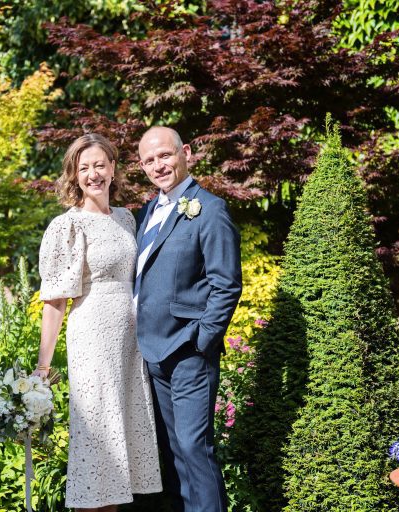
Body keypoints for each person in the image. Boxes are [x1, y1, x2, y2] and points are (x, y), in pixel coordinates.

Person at [33, 133, 162, 512]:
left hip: (130, 343)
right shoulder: (67, 226)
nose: (93, 174)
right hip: (92, 340)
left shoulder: (126, 218)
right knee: (98, 443)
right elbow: (55, 299)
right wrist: (43, 366)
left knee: (119, 450)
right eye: (84, 167)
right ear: (74, 175)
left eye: (100, 165)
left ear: (113, 168)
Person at [134, 126, 242, 512]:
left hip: (188, 352)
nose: (158, 166)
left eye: (165, 155)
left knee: (196, 448)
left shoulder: (210, 209)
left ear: (186, 153)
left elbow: (226, 284)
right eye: (149, 160)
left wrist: (201, 341)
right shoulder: (147, 212)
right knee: (176, 452)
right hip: (153, 352)